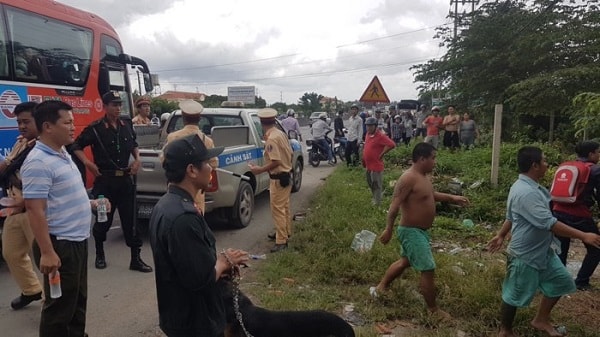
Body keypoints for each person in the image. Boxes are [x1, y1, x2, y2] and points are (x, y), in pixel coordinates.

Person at [487, 146, 600, 337]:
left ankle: (540, 319)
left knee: (562, 282)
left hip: (543, 251)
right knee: (514, 295)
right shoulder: (525, 192)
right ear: (535, 165)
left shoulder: (532, 187)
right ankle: (504, 331)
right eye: (545, 161)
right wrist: (583, 235)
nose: (548, 164)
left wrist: (500, 235)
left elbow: (510, 216)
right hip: (525, 254)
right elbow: (549, 223)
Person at [22, 100, 109, 337]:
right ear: (48, 126)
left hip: (76, 240)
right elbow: (34, 209)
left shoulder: (61, 152)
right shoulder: (38, 161)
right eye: (67, 122)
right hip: (60, 244)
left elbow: (59, 197)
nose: (73, 127)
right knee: (59, 308)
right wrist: (48, 252)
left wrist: (91, 203)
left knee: (77, 301)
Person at [149, 133, 248, 337]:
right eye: (206, 162)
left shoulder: (168, 204)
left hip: (181, 315)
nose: (212, 167)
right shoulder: (183, 217)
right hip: (196, 323)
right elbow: (199, 280)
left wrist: (221, 262)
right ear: (192, 170)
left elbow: (188, 261)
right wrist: (223, 263)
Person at [369, 142, 469, 319]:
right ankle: (433, 310)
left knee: (405, 261)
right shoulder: (408, 178)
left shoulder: (423, 176)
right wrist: (388, 229)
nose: (435, 162)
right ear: (422, 159)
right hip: (411, 231)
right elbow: (394, 206)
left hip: (419, 232)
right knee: (428, 268)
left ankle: (381, 288)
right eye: (433, 158)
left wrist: (452, 197)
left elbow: (430, 195)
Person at [72, 91, 152, 272]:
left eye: (119, 105)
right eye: (113, 105)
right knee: (102, 220)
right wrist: (87, 163)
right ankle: (100, 254)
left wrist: (137, 159)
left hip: (125, 181)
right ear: (105, 106)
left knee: (131, 221)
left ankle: (135, 259)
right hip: (104, 183)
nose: (117, 108)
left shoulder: (126, 124)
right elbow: (75, 145)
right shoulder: (95, 128)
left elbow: (133, 144)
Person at [0, 102, 43, 310]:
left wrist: (23, 202)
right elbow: (6, 165)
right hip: (14, 208)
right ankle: (31, 290)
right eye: (19, 122)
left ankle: (57, 305)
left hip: (35, 211)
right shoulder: (21, 143)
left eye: (26, 121)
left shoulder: (45, 147)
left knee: (46, 260)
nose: (22, 126)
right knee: (11, 252)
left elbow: (49, 188)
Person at [552, 141, 600, 291]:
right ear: (591, 154)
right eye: (598, 152)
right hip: (579, 214)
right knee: (596, 247)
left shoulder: (566, 165)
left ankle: (559, 281)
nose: (599, 155)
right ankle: (581, 281)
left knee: (561, 247)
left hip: (558, 211)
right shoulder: (594, 170)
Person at [249, 108, 293, 253]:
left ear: (261, 123)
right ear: (274, 121)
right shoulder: (279, 133)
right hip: (285, 176)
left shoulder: (272, 139)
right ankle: (285, 232)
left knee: (278, 210)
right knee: (284, 207)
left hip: (278, 178)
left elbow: (276, 161)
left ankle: (281, 241)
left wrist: (259, 170)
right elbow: (289, 153)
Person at [163, 100, 218, 214]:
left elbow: (164, 160)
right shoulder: (207, 140)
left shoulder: (172, 137)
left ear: (183, 117)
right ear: (199, 118)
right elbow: (214, 164)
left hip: (176, 188)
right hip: (196, 190)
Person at [362, 117, 395, 206]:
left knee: (376, 185)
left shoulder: (380, 136)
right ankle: (375, 198)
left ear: (375, 126)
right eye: (367, 126)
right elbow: (366, 147)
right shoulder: (367, 134)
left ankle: (377, 203)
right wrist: (363, 158)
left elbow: (391, 144)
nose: (368, 128)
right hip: (368, 165)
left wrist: (382, 153)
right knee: (370, 183)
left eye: (370, 126)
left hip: (376, 166)